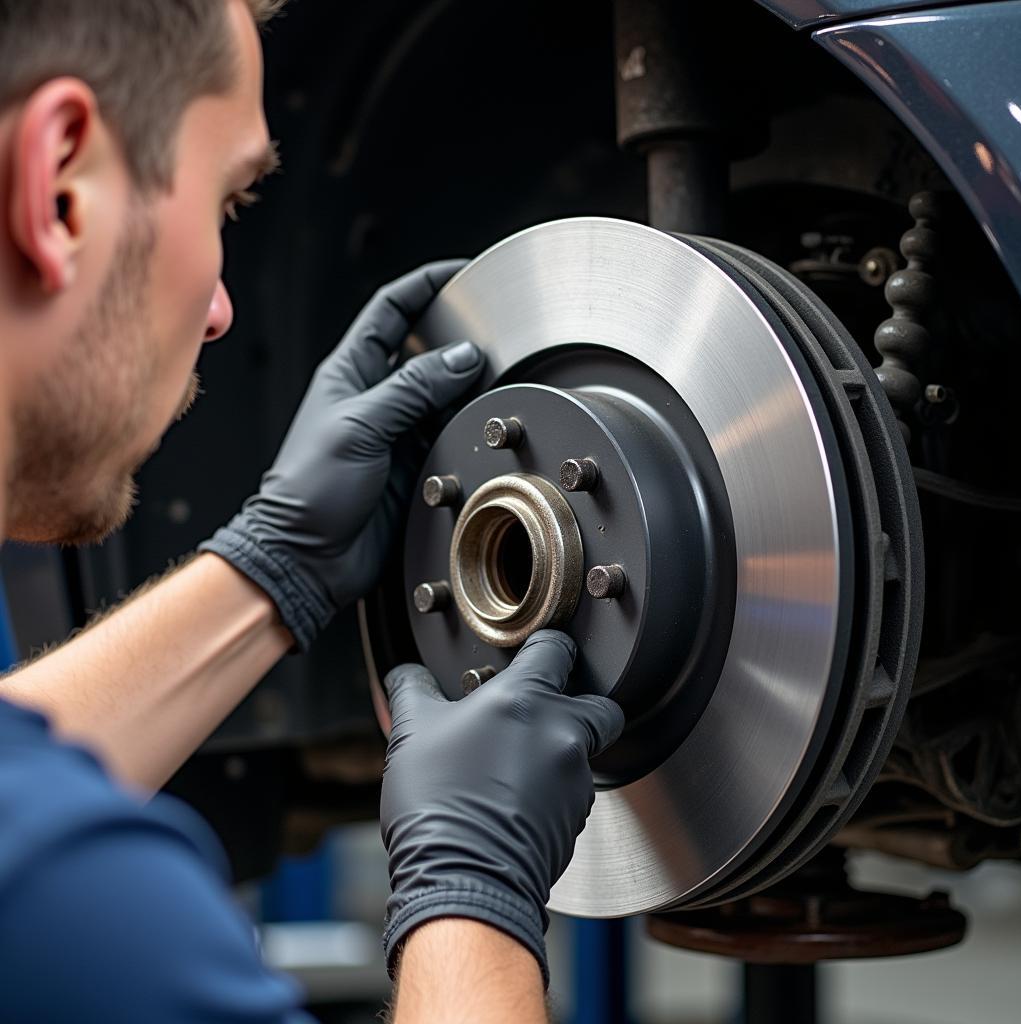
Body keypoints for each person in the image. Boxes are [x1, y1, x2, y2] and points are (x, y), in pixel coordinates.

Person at [0, 2, 624, 1022]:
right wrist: (470, 887)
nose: (219, 309)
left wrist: (269, 568)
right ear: (61, 187)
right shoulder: (91, 907)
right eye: (228, 203)